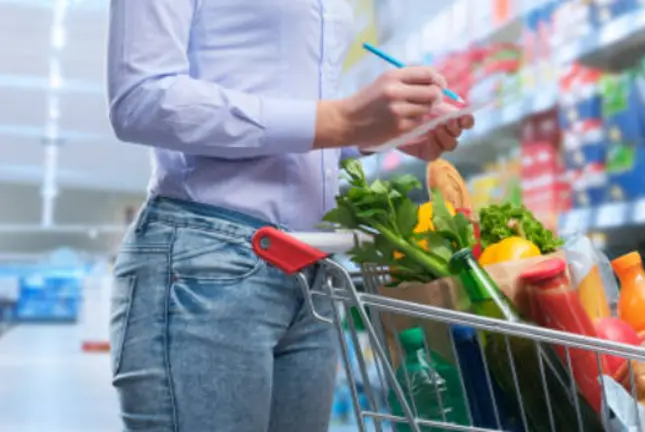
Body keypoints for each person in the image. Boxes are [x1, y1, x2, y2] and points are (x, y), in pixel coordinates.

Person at [106, 1, 474, 431]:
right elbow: (141, 99)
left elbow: (297, 120)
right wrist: (343, 118)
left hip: (309, 269)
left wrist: (375, 133)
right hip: (205, 267)